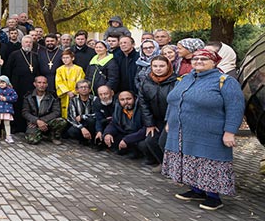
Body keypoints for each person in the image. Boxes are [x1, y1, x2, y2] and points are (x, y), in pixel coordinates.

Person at [162, 48, 245, 211]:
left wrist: (230, 132)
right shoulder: (185, 78)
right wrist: (168, 121)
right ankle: (196, 190)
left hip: (210, 133)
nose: (198, 61)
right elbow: (173, 100)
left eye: (204, 59)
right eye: (196, 59)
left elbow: (235, 107)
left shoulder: (225, 81)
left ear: (214, 62)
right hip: (183, 131)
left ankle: (214, 197)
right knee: (191, 160)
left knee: (210, 162)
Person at [137, 55, 177, 170]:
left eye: (161, 66)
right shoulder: (146, 81)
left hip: (170, 119)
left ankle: (173, 168)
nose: (158, 69)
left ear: (168, 66)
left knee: (164, 142)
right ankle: (163, 164)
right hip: (156, 119)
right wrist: (150, 124)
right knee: (150, 141)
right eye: (155, 66)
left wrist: (171, 121)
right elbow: (143, 104)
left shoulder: (175, 81)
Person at [3, 36, 40, 133]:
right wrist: (9, 83)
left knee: (30, 106)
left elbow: (37, 71)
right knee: (17, 105)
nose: (28, 44)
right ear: (22, 43)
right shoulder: (14, 54)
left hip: (31, 86)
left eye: (30, 42)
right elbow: (8, 69)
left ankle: (28, 126)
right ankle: (15, 126)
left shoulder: (35, 55)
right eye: (26, 42)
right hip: (17, 84)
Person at [21, 75, 67, 145]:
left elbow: (57, 112)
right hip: (34, 123)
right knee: (32, 140)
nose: (42, 85)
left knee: (61, 121)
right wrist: (36, 121)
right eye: (39, 82)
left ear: (47, 84)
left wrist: (42, 120)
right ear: (35, 84)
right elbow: (25, 112)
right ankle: (41, 134)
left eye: (44, 83)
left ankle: (53, 136)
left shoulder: (53, 96)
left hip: (48, 121)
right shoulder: (28, 96)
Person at [101, 91, 145, 157]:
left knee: (142, 144)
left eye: (129, 99)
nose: (126, 102)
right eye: (122, 100)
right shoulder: (118, 108)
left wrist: (127, 139)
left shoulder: (142, 109)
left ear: (135, 98)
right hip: (125, 133)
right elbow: (113, 123)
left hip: (138, 135)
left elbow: (145, 129)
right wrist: (108, 133)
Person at [65, 79, 101, 144]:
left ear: (90, 89)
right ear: (77, 90)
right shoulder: (73, 100)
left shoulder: (95, 99)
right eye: (81, 87)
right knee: (71, 131)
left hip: (92, 124)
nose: (84, 89)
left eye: (86, 87)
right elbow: (71, 117)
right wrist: (82, 128)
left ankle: (93, 140)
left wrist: (83, 116)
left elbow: (98, 114)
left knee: (91, 120)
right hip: (80, 124)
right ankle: (84, 139)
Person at [55, 49, 85, 118]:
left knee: (76, 111)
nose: (65, 60)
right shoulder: (59, 70)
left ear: (72, 58)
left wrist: (74, 92)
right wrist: (67, 91)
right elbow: (58, 82)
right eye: (63, 58)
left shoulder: (78, 69)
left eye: (67, 58)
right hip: (65, 95)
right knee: (64, 112)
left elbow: (80, 81)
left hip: (75, 94)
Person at [0, 75, 18, 143]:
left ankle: (8, 136)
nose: (1, 84)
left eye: (3, 83)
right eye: (0, 83)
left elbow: (15, 97)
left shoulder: (11, 90)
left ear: (7, 83)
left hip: (7, 110)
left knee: (7, 123)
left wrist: (6, 98)